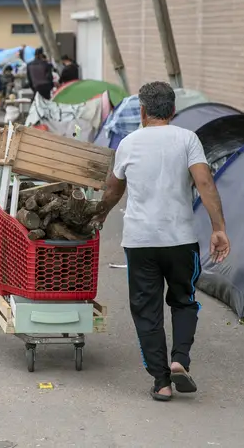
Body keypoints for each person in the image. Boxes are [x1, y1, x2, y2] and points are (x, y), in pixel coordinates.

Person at [93, 81, 230, 402]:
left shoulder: (129, 143)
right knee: (184, 300)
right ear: (172, 111)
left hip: (141, 242)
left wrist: (98, 215)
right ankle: (179, 359)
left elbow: (113, 189)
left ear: (142, 111)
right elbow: (204, 181)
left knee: (146, 309)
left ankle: (161, 382)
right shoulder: (188, 140)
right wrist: (218, 228)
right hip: (180, 239)